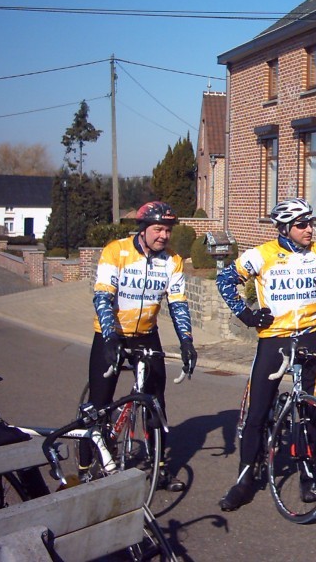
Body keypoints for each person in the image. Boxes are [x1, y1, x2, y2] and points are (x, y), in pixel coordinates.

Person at [216, 197, 316, 511]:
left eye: (311, 223)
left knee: (308, 409)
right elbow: (225, 279)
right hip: (274, 340)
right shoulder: (262, 255)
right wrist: (247, 315)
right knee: (258, 412)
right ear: (285, 228)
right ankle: (245, 477)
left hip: (309, 338)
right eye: (301, 225)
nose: (309, 229)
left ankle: (307, 472)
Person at [79, 201, 198, 492]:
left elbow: (178, 303)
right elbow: (103, 297)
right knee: (99, 404)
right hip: (112, 333)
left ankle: (159, 469)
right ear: (143, 229)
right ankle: (85, 466)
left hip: (146, 334)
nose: (164, 236)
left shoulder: (173, 261)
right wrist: (109, 337)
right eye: (158, 229)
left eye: (168, 230)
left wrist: (186, 341)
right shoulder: (116, 251)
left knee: (156, 402)